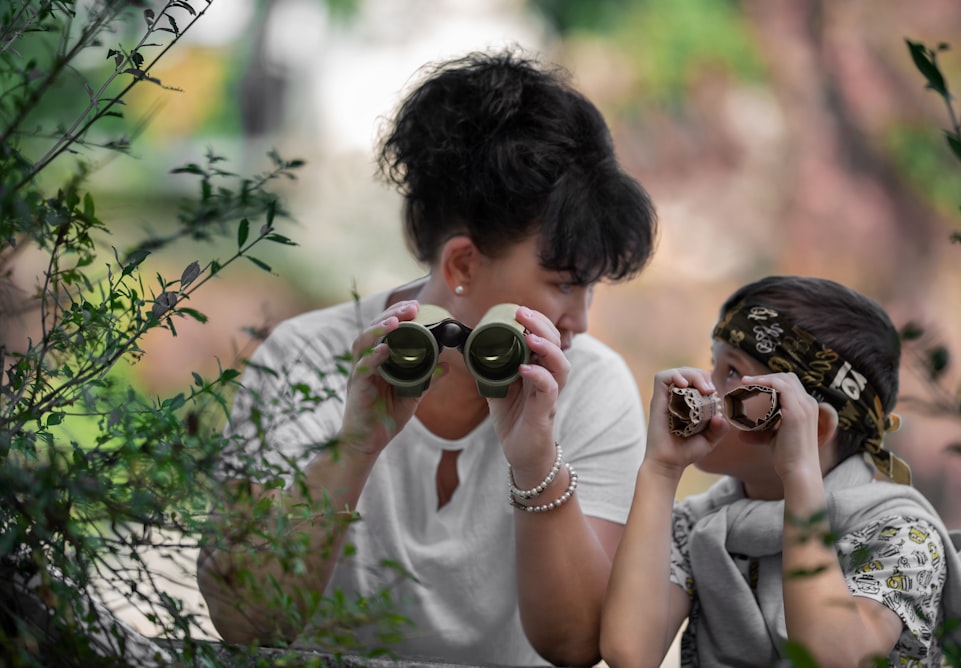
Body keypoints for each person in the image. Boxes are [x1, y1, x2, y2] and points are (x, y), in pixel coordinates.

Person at [196, 48, 657, 667]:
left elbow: (575, 647)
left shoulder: (594, 386)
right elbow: (245, 619)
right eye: (564, 283)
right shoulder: (306, 358)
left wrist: (536, 461)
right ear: (462, 264)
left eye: (591, 286)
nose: (580, 320)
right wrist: (354, 446)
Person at [600, 275, 961, 668]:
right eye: (713, 364)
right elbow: (629, 652)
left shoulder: (903, 536)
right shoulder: (700, 523)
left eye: (731, 374)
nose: (705, 390)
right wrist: (660, 469)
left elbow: (833, 659)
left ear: (814, 428)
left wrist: (799, 475)